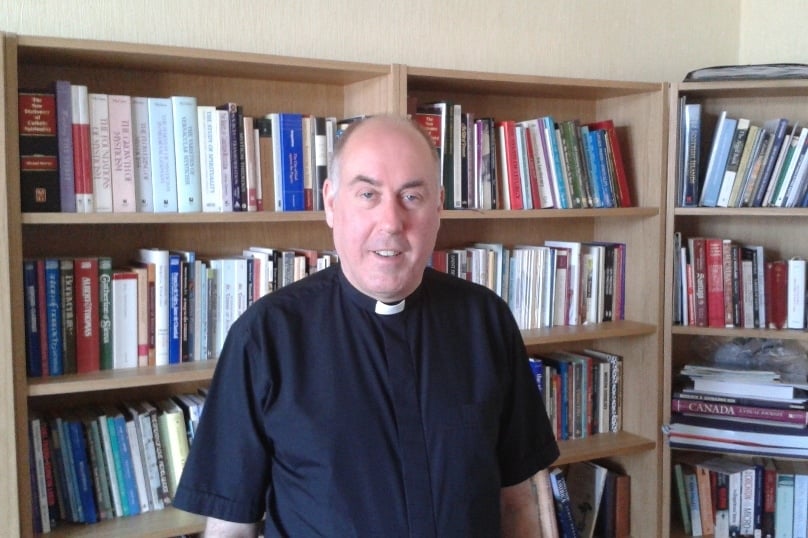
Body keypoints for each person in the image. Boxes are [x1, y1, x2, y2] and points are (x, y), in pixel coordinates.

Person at [173, 115, 559, 537]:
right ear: (331, 204)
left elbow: (518, 502)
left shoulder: (487, 321)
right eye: (368, 194)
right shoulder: (265, 337)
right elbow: (232, 528)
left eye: (411, 196)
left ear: (438, 206)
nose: (391, 222)